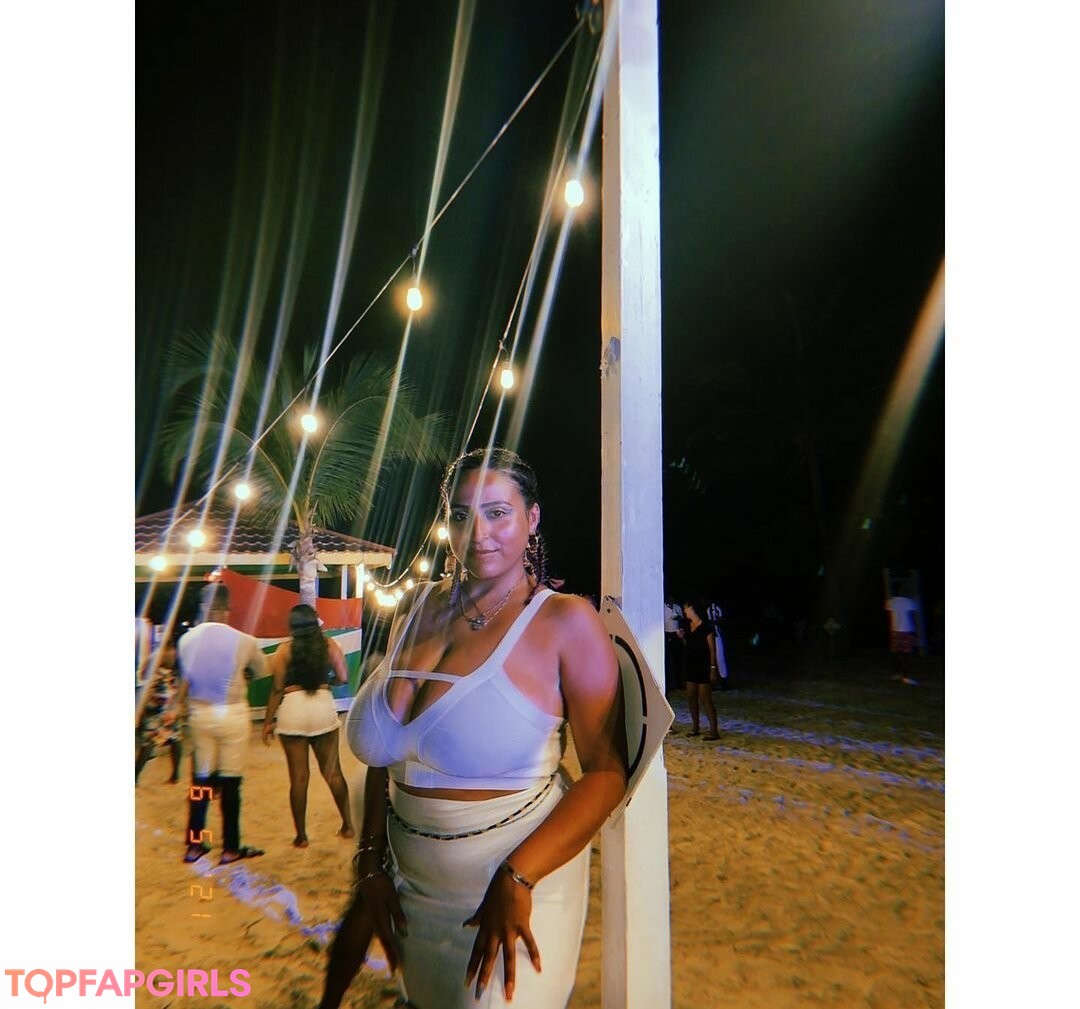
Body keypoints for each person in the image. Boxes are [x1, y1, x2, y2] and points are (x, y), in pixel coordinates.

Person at [321, 448, 627, 1009]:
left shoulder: (564, 621)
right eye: (461, 515)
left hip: (514, 888)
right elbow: (387, 754)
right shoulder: (416, 609)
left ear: (532, 518)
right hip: (410, 885)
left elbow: (607, 774)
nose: (478, 533)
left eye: (497, 513)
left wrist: (519, 877)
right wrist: (369, 859)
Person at [178, 582, 270, 865]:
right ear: (227, 609)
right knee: (231, 782)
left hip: (200, 714)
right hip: (232, 714)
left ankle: (194, 845)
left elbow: (186, 676)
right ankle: (230, 848)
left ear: (204, 608)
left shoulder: (186, 640)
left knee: (200, 781)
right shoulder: (244, 640)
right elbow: (262, 670)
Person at [262, 604, 355, 847]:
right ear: (315, 622)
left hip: (292, 709)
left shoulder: (284, 650)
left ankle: (301, 837)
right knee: (333, 772)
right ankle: (347, 826)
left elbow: (277, 689)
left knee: (299, 778)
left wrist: (268, 722)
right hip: (322, 707)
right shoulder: (329, 645)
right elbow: (344, 677)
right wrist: (329, 681)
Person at [135, 633, 184, 783]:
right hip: (172, 702)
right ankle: (176, 774)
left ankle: (135, 776)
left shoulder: (155, 656)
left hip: (155, 702)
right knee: (174, 737)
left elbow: (144, 677)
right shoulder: (180, 657)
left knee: (149, 740)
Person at [682, 600, 720, 740]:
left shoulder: (706, 628)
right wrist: (682, 637)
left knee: (705, 699)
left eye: (686, 609)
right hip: (691, 665)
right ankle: (695, 728)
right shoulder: (688, 626)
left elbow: (712, 650)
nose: (685, 611)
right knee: (691, 697)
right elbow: (688, 645)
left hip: (704, 666)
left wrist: (713, 668)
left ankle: (714, 732)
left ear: (693, 609)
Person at [885, 591, 919, 684]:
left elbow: (890, 615)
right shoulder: (908, 601)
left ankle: (896, 674)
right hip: (907, 629)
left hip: (895, 630)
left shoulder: (890, 602)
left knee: (895, 653)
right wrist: (916, 630)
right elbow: (913, 615)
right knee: (906, 654)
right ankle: (905, 676)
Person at [663, 597, 685, 695]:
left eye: (672, 598)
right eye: (670, 598)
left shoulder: (677, 607)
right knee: (666, 660)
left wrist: (679, 618)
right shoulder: (662, 607)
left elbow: (682, 619)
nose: (671, 600)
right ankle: (667, 683)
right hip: (667, 633)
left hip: (676, 634)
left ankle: (678, 682)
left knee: (677, 658)